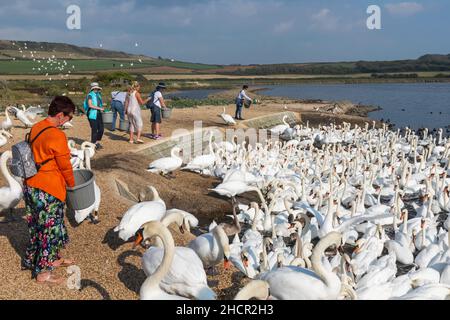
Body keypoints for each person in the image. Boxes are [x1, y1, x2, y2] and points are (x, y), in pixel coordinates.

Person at [22, 96, 76, 284]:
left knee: (38, 227)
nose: (69, 121)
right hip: (48, 189)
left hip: (31, 185)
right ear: (61, 115)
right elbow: (65, 166)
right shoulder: (57, 135)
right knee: (49, 230)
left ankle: (44, 259)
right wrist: (72, 184)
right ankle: (43, 272)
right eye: (69, 117)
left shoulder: (37, 126)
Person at [84, 82, 105, 150]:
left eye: (97, 88)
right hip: (92, 114)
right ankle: (94, 143)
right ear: (93, 89)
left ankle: (96, 142)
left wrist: (102, 107)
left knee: (101, 129)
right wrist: (99, 108)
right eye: (95, 88)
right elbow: (90, 105)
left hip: (98, 113)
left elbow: (98, 104)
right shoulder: (90, 95)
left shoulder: (98, 95)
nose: (97, 89)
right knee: (94, 129)